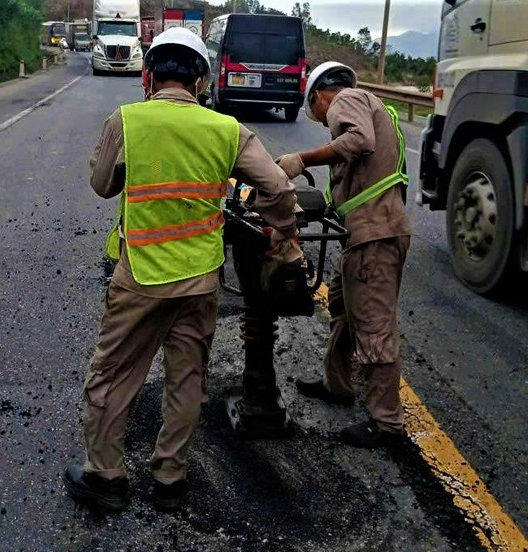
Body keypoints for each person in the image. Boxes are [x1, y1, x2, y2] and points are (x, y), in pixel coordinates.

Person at [64, 27, 301, 512]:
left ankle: (104, 477)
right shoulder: (226, 128)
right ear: (201, 81)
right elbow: (278, 188)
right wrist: (280, 233)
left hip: (142, 278)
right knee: (187, 379)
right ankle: (171, 480)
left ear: (148, 76)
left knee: (112, 375)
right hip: (200, 280)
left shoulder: (127, 120)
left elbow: (102, 185)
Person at [275, 62, 412, 449]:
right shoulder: (372, 105)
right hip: (371, 233)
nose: (324, 123)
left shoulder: (346, 99)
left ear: (319, 97)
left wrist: (302, 159)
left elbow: (358, 141)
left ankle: (387, 423)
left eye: (318, 116)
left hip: (375, 236)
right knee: (341, 304)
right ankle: (338, 383)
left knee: (373, 324)